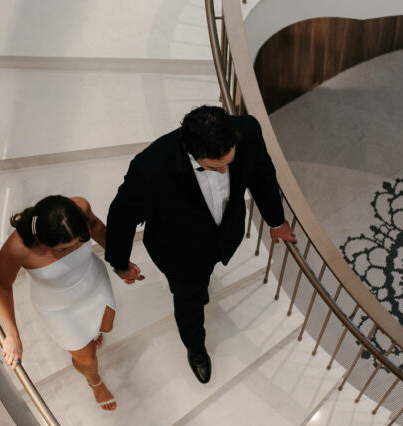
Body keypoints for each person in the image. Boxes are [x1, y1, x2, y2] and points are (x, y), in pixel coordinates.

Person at [105, 105, 296, 384]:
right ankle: (195, 348)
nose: (222, 172)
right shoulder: (150, 167)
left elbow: (262, 175)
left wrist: (276, 221)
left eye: (227, 163)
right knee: (189, 302)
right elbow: (121, 218)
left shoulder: (249, 129)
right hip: (180, 251)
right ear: (190, 149)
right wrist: (121, 264)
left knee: (200, 287)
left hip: (224, 235)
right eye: (212, 166)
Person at [0, 195, 117, 411]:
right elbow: (2, 286)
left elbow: (97, 227)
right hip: (59, 309)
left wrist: (120, 261)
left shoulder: (79, 207)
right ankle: (94, 382)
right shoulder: (16, 250)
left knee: (106, 326)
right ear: (44, 242)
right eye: (64, 248)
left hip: (93, 281)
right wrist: (12, 335)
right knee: (87, 358)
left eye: (81, 240)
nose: (76, 247)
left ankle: (91, 335)